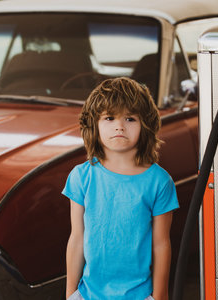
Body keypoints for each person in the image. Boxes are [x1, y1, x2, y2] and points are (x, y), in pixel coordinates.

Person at [63, 77, 178, 300]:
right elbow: (77, 238)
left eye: (130, 118)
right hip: (87, 295)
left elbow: (162, 243)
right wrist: (70, 294)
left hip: (141, 295)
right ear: (94, 124)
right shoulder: (81, 177)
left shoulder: (159, 182)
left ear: (146, 125)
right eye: (109, 117)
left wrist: (160, 296)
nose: (119, 126)